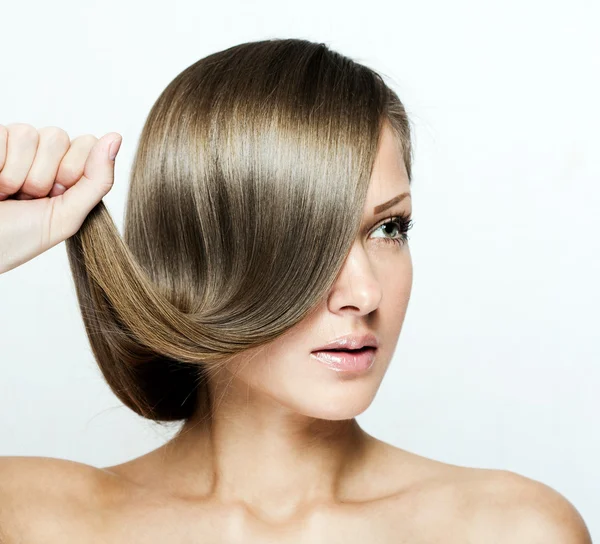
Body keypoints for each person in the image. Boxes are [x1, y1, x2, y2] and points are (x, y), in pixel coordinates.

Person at [0, 38, 591, 543]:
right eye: (310, 237)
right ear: (197, 253)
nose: (363, 293)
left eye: (389, 229)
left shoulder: (511, 529)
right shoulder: (32, 519)